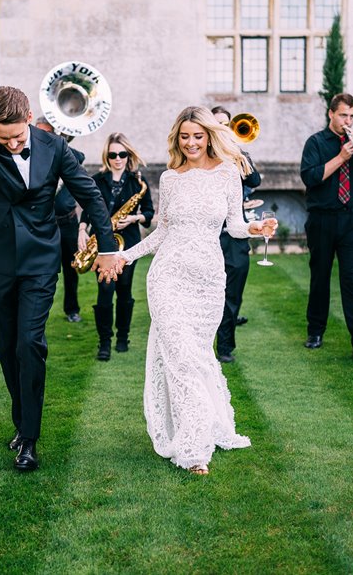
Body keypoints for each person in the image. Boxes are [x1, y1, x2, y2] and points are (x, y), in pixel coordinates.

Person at [0, 86, 118, 472]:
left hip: (38, 262)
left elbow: (90, 195)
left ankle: (29, 439)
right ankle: (21, 421)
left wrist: (107, 247)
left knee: (31, 343)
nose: (14, 144)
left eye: (18, 135)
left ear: (30, 117)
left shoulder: (55, 148)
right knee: (10, 347)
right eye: (5, 138)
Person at [115, 106, 276, 475]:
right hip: (167, 277)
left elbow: (235, 226)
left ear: (209, 136)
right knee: (181, 359)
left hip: (207, 280)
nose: (190, 143)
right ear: (177, 138)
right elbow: (163, 233)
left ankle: (204, 426)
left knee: (199, 357)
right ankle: (192, 448)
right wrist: (126, 256)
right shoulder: (170, 179)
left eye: (197, 136)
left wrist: (256, 229)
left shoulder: (227, 174)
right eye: (184, 136)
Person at [299, 93, 353, 359]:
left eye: (352, 115)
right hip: (322, 219)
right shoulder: (315, 142)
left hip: (351, 219)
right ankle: (315, 331)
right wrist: (341, 157)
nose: (347, 120)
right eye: (343, 115)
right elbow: (311, 178)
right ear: (331, 114)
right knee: (320, 276)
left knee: (351, 279)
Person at [79, 132, 154, 361]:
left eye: (122, 154)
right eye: (113, 154)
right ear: (107, 156)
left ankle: (123, 336)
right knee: (104, 292)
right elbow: (88, 209)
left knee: (124, 291)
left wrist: (134, 219)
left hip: (128, 243)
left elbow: (149, 212)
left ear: (128, 154)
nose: (118, 158)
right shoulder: (97, 180)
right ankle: (104, 342)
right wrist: (82, 229)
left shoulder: (138, 182)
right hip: (102, 244)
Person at [210, 106, 261, 363]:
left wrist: (237, 152)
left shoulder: (238, 154)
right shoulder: (202, 155)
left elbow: (255, 182)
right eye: (218, 123)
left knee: (233, 292)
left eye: (226, 124)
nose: (223, 128)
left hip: (235, 233)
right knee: (207, 292)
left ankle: (226, 346)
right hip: (208, 233)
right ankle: (204, 342)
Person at [35, 117, 84, 324]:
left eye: (47, 132)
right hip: (44, 224)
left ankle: (72, 309)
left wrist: (59, 143)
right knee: (42, 271)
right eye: (38, 132)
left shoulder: (67, 154)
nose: (42, 136)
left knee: (71, 269)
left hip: (68, 223)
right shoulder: (33, 157)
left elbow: (79, 156)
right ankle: (37, 311)